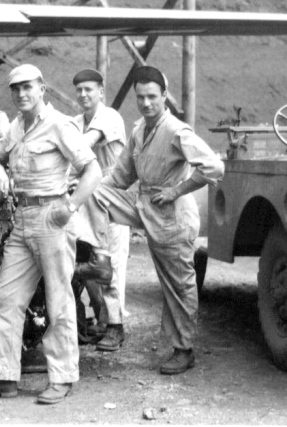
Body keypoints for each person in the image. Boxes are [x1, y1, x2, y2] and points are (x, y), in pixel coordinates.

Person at [79, 65, 224, 374]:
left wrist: (177, 190)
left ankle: (184, 350)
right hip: (144, 206)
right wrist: (80, 187)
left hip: (173, 217)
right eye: (140, 97)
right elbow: (119, 177)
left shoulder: (176, 130)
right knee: (94, 193)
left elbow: (214, 167)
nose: (146, 103)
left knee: (177, 285)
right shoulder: (139, 130)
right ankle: (101, 259)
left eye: (152, 97)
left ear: (165, 96)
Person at [0, 64, 103, 404]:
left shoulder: (59, 125)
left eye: (27, 87)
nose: (21, 94)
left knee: (58, 301)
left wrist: (72, 205)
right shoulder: (16, 126)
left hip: (52, 216)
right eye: (15, 89)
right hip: (23, 218)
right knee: (5, 298)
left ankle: (62, 378)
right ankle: (4, 377)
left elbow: (93, 169)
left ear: (42, 88)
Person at [69, 68, 131, 352]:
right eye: (79, 90)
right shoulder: (75, 121)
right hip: (87, 198)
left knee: (111, 265)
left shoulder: (109, 116)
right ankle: (102, 318)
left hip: (111, 197)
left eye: (89, 90)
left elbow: (84, 145)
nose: (83, 95)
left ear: (101, 92)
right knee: (89, 262)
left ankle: (116, 326)